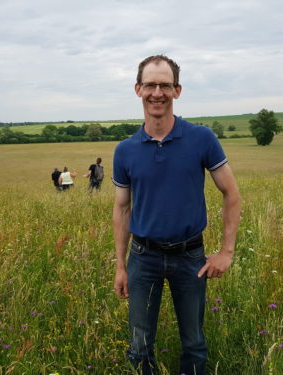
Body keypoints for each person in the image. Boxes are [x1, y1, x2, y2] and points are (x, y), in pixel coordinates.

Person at [112, 55, 241, 375]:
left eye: (165, 85)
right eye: (150, 85)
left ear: (177, 90)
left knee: (194, 342)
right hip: (143, 257)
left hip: (190, 256)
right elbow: (122, 208)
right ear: (138, 89)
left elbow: (232, 194)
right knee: (140, 345)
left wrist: (226, 252)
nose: (158, 92)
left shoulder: (201, 138)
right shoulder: (125, 150)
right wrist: (120, 266)